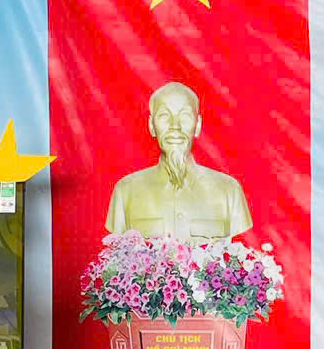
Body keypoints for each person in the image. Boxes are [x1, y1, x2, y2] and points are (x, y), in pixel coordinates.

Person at [103, 81, 254, 244]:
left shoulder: (228, 191)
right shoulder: (126, 191)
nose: (175, 126)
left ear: (198, 125)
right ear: (151, 126)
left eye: (185, 116)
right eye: (164, 116)